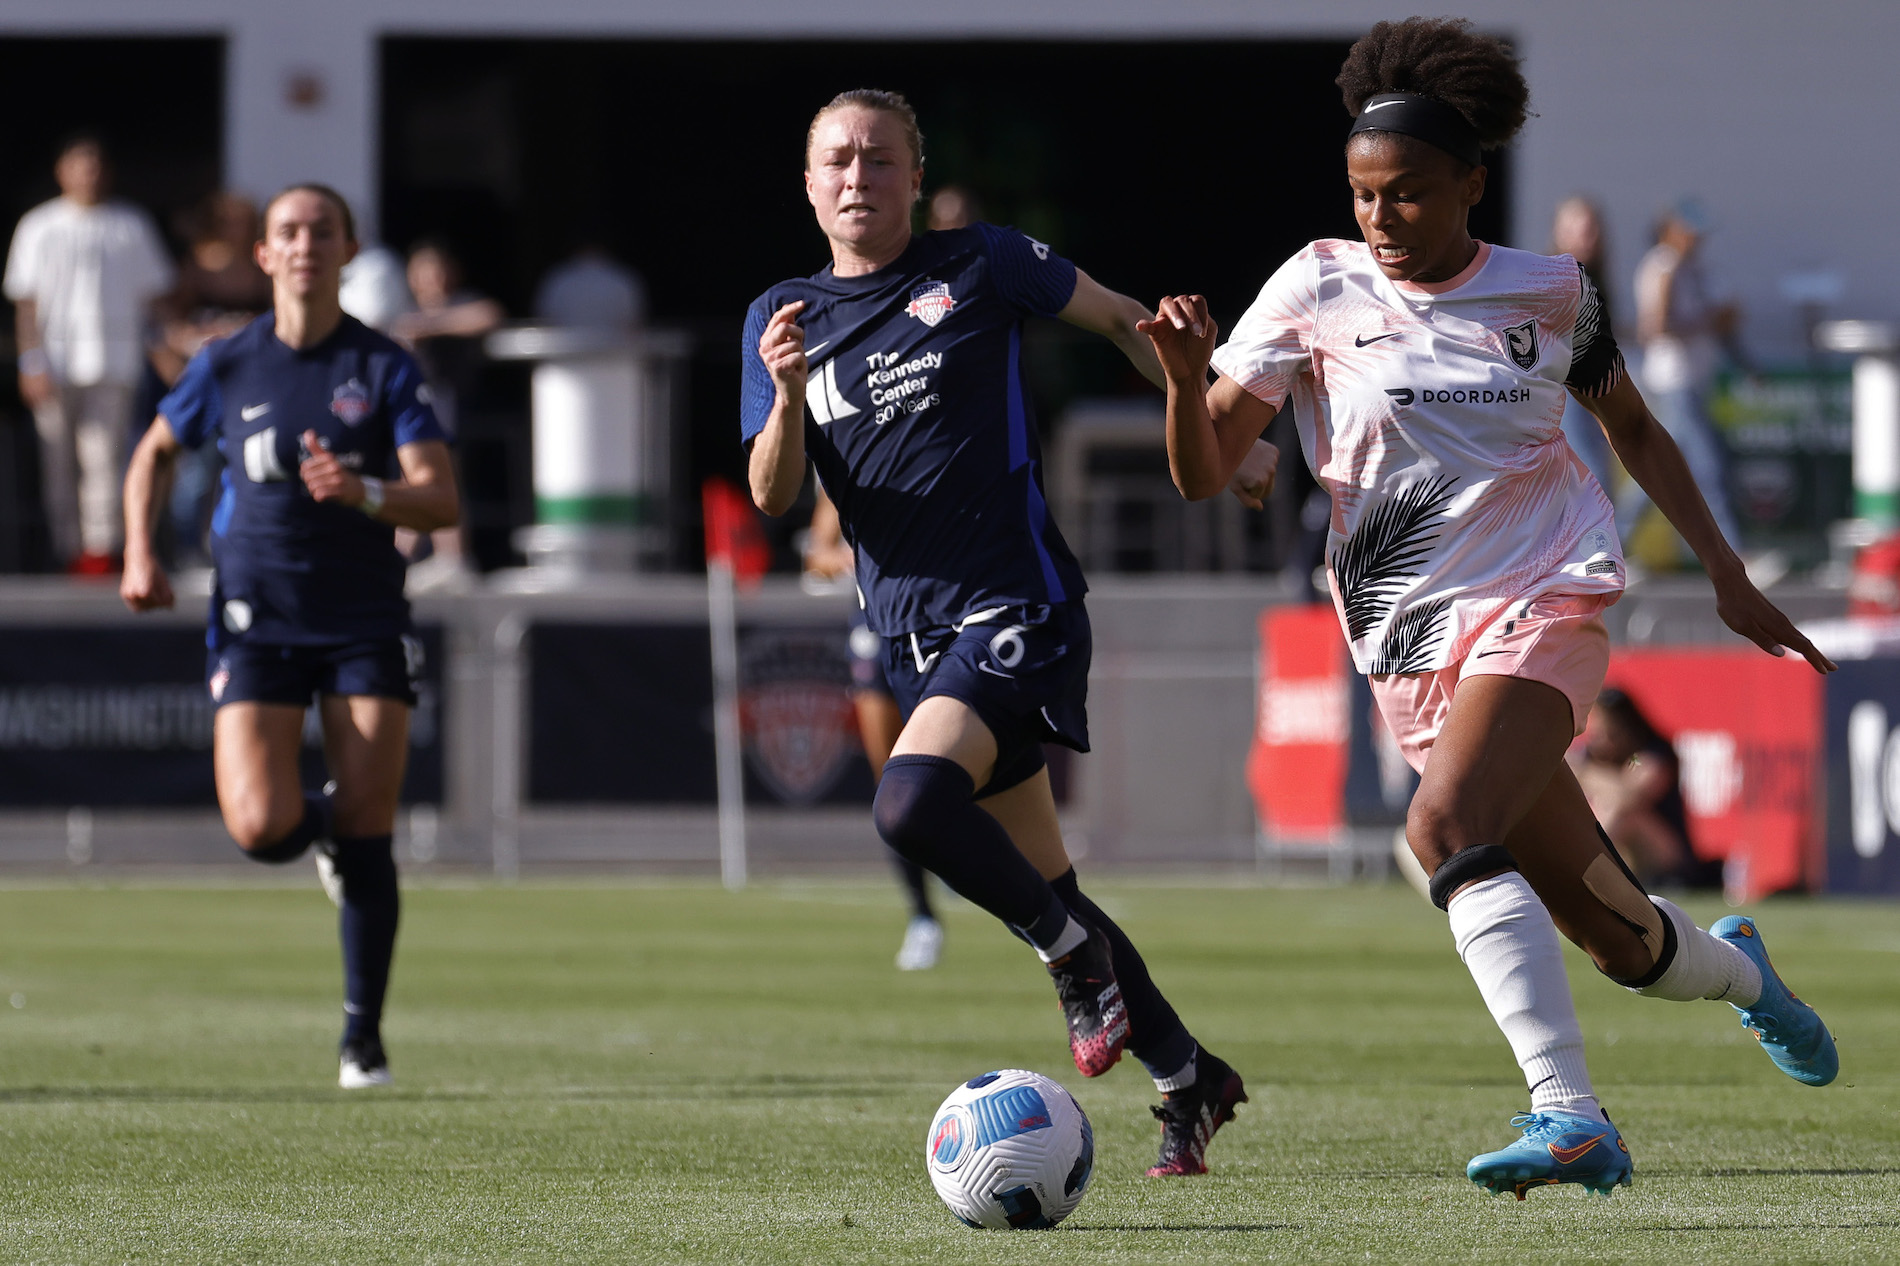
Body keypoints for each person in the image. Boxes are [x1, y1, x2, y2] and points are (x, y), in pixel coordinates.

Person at [1144, 18, 1838, 1200]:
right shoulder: (1314, 284)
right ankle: (1743, 976)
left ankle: (1569, 1116)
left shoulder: (1552, 293)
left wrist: (1724, 572)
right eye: (1365, 195)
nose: (1381, 218)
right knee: (1615, 939)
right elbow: (1205, 472)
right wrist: (1179, 379)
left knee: (1438, 826)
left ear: (1471, 183)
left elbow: (1631, 428)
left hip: (1542, 596)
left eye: (1408, 195)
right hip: (1406, 642)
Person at [743, 89, 1268, 1177]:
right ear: (807, 183)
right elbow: (772, 495)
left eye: (878, 159)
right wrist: (787, 397)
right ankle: (1189, 1078)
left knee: (909, 802)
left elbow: (1132, 320)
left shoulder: (977, 262)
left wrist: (1224, 430)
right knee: (1051, 881)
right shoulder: (782, 318)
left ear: (913, 176)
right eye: (836, 160)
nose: (856, 177)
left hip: (1015, 606)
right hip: (913, 640)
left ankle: (1069, 962)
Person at [119, 184, 459, 1089]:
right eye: (288, 233)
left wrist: (367, 493)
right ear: (263, 255)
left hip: (361, 617)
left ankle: (363, 1039)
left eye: (322, 231)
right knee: (263, 826)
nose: (305, 245)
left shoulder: (383, 367)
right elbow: (154, 452)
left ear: (347, 250)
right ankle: (321, 840)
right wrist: (140, 554)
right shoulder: (227, 363)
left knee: (371, 824)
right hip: (255, 615)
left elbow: (441, 495)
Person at [5, 134, 174, 574]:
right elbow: (26, 302)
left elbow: (154, 299)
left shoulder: (130, 225)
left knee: (104, 459)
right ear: (62, 171)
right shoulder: (38, 226)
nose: (89, 174)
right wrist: (32, 362)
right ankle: (65, 547)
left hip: (113, 362)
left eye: (96, 165)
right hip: (55, 363)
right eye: (80, 165)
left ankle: (99, 551)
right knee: (57, 462)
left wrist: (168, 347)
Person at [803, 486, 942, 969]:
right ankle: (923, 916)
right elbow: (816, 555)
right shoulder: (841, 472)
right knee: (891, 782)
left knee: (961, 765)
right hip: (873, 626)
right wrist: (840, 557)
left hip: (933, 618)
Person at [1617, 199, 1745, 560]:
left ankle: (1610, 548)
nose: (1697, 240)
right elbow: (1655, 327)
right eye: (1692, 232)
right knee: (1708, 468)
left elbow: (1725, 318)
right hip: (1674, 384)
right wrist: (1709, 320)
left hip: (1691, 383)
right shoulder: (1663, 265)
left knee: (1655, 472)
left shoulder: (1693, 269)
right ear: (1672, 229)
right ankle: (1734, 556)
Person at [1576, 687, 1716, 889]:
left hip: (1667, 856)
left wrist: (1587, 774)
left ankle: (1584, 875)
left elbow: (1629, 796)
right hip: (1626, 856)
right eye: (1598, 733)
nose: (1604, 740)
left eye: (1612, 732)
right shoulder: (1591, 757)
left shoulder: (1646, 754)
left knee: (1623, 813)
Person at [1547, 196, 1617, 495]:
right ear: (1559, 232)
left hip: (1590, 390)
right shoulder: (1551, 277)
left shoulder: (1594, 278)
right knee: (1594, 478)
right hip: (1562, 391)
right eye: (1577, 229)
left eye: (1591, 230)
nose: (1586, 237)